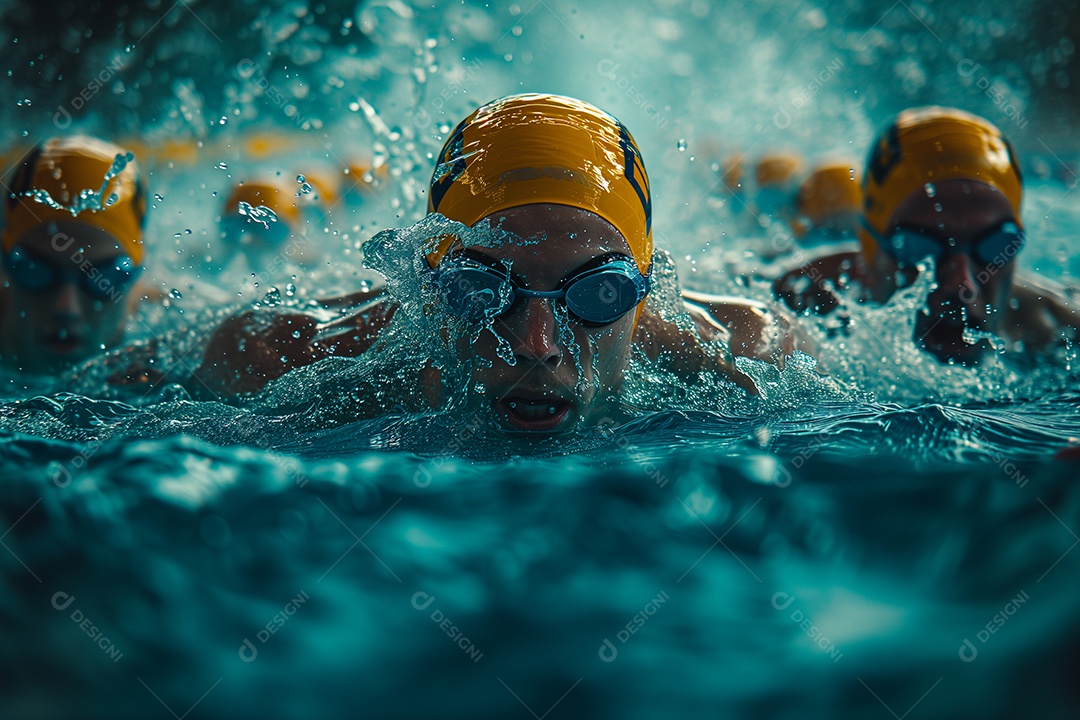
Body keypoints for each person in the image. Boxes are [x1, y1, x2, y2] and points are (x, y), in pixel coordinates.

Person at [192, 94, 806, 433]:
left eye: (597, 295)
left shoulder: (748, 358)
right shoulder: (281, 362)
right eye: (480, 290)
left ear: (643, 290)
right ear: (427, 282)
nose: (536, 343)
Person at [773, 106, 1078, 364]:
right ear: (870, 251)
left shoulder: (1058, 325)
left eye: (995, 246)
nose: (962, 285)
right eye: (917, 248)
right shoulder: (804, 296)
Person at [0, 135, 147, 374]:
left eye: (106, 277)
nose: (67, 308)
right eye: (34, 271)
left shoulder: (167, 329)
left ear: (136, 271)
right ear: (4, 262)